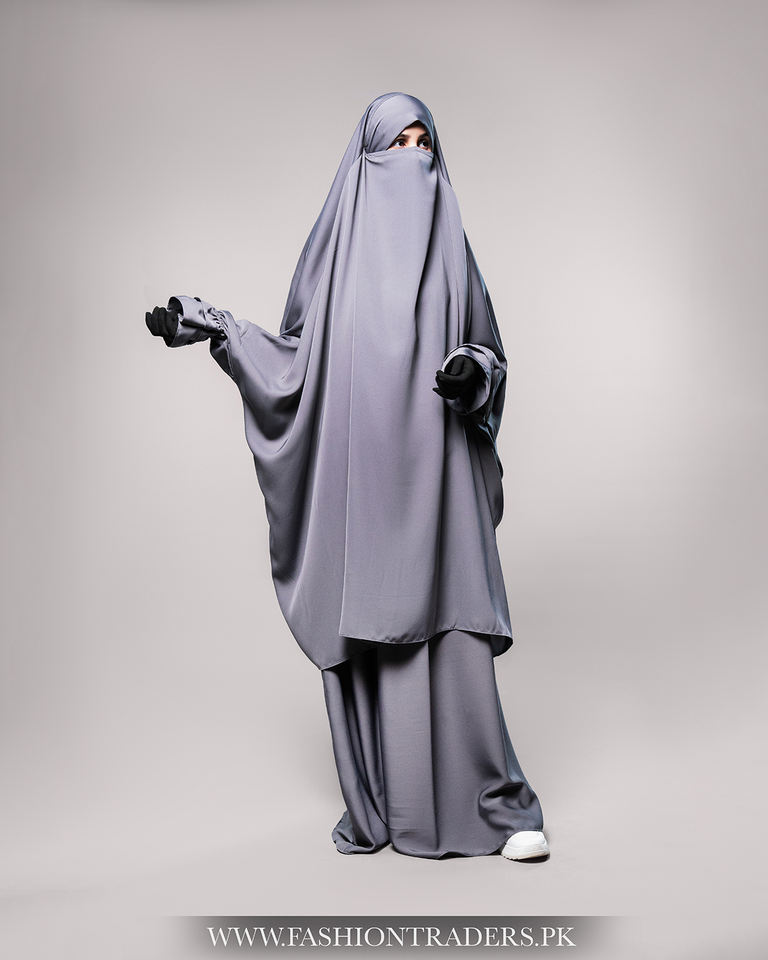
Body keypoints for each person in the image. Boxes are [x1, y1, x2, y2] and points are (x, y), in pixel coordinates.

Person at [145, 92, 549, 861]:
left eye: (425, 145)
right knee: (375, 627)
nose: (413, 160)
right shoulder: (334, 259)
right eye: (396, 144)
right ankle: (396, 810)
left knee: (455, 624)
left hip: (440, 476)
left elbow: (489, 350)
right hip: (363, 478)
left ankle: (493, 810)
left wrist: (474, 373)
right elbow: (295, 364)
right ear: (365, 161)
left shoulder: (452, 248)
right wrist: (215, 325)